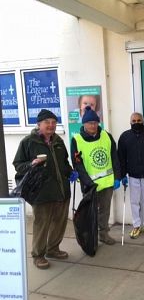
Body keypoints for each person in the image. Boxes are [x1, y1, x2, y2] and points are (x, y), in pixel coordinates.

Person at [13, 109, 78, 269]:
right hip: (41, 193)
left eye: (54, 122)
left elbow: (64, 162)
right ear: (39, 124)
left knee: (59, 223)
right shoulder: (28, 142)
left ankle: (53, 249)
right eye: (47, 122)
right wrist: (31, 164)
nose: (51, 125)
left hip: (61, 190)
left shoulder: (58, 141)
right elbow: (18, 165)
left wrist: (70, 172)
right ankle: (38, 255)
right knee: (42, 225)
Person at [71, 106, 121, 245]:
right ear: (84, 124)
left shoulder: (106, 136)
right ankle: (91, 238)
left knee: (104, 211)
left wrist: (117, 177)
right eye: (89, 123)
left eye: (95, 123)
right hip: (90, 185)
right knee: (90, 213)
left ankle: (104, 234)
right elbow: (78, 165)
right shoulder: (77, 140)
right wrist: (88, 182)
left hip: (107, 183)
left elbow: (114, 157)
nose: (92, 125)